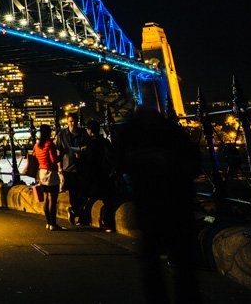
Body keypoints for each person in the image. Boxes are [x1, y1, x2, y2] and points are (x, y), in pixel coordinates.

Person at [116, 106, 201, 304]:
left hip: (149, 207)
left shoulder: (131, 136)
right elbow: (194, 165)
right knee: (183, 264)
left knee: (151, 262)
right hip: (179, 205)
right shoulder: (174, 134)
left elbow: (119, 163)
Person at [78, 119, 116, 230]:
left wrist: (80, 156)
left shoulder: (91, 143)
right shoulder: (105, 141)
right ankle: (108, 223)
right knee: (108, 199)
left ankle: (79, 215)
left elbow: (90, 162)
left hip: (96, 175)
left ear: (89, 130)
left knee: (88, 196)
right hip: (107, 174)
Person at [57, 113, 87, 225]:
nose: (72, 124)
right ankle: (77, 215)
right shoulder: (62, 134)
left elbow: (87, 145)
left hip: (81, 166)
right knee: (73, 193)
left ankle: (75, 212)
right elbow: (59, 151)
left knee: (83, 192)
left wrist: (81, 149)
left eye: (74, 121)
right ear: (67, 122)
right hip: (68, 167)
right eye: (70, 121)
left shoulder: (82, 133)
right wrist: (59, 167)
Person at [33, 124, 63, 230]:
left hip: (41, 173)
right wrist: (62, 155)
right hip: (50, 173)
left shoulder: (37, 145)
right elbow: (54, 160)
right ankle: (53, 224)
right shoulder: (49, 144)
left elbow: (34, 157)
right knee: (53, 200)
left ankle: (48, 223)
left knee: (46, 198)